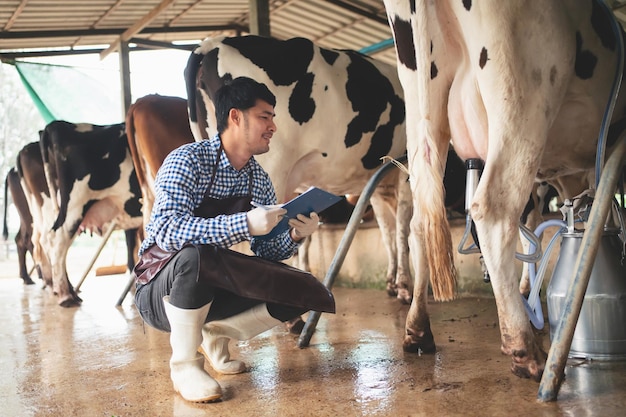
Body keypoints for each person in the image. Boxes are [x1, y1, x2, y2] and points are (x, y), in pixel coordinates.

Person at [132, 76, 335, 403]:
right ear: (235, 117)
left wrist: (295, 232)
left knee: (301, 290)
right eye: (264, 116)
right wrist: (243, 223)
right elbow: (167, 231)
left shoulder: (259, 179)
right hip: (159, 285)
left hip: (210, 280)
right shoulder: (187, 160)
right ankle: (184, 365)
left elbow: (267, 251)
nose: (273, 126)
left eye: (273, 117)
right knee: (194, 257)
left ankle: (212, 332)